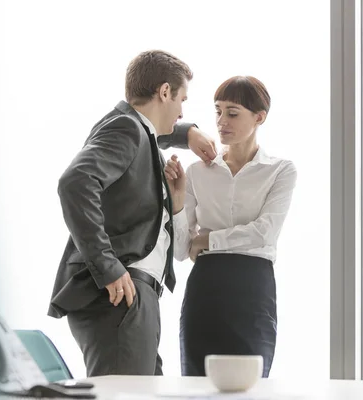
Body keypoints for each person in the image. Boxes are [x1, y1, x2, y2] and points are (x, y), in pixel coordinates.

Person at [46, 49, 217, 377]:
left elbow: (155, 135)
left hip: (135, 294)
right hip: (121, 291)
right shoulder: (126, 127)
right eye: (182, 99)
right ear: (164, 92)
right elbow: (76, 182)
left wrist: (188, 132)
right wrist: (108, 266)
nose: (182, 110)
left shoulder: (135, 130)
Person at [164, 76, 297, 377]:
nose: (222, 121)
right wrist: (175, 203)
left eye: (233, 113)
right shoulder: (196, 172)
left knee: (251, 386)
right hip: (205, 291)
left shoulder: (280, 171)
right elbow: (183, 249)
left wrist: (209, 240)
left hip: (253, 289)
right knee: (198, 387)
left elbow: (265, 231)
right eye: (218, 111)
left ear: (259, 117)